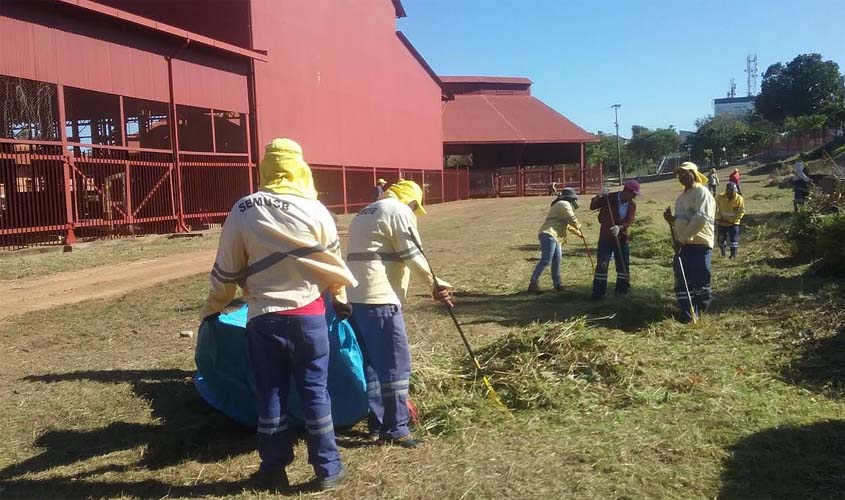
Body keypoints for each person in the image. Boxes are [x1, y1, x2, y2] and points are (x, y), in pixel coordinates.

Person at [200, 138, 356, 491]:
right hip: (311, 319)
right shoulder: (318, 211)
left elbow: (225, 272)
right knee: (316, 392)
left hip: (264, 319)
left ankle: (273, 467)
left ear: (265, 168)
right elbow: (333, 263)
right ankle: (328, 469)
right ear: (301, 167)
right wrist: (341, 297)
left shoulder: (243, 209)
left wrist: (212, 309)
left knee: (269, 393)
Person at [345, 180, 453, 448]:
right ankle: (397, 428)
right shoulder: (399, 211)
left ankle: (377, 423)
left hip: (356, 299)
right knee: (395, 364)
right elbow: (413, 254)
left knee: (371, 366)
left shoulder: (366, 211)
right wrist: (435, 284)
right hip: (380, 299)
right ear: (413, 202)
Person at [662, 162, 716, 324]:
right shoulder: (681, 197)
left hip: (698, 244)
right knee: (682, 280)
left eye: (684, 174)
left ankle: (699, 311)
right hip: (683, 245)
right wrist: (672, 220)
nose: (681, 177)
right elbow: (683, 220)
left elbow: (700, 219)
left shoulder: (702, 193)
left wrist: (681, 239)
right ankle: (687, 312)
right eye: (679, 174)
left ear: (693, 173)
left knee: (699, 280)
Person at [589, 180, 639, 299]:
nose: (635, 196)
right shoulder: (609, 198)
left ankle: (621, 291)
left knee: (623, 265)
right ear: (626, 191)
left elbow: (629, 221)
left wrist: (620, 227)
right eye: (633, 193)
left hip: (621, 238)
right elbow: (593, 206)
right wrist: (599, 196)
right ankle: (598, 293)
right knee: (603, 264)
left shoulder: (632, 205)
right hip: (606, 238)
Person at [528, 187, 583, 293]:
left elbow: (567, 225)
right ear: (570, 199)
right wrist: (578, 226)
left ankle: (557, 284)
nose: (576, 202)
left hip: (555, 236)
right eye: (574, 199)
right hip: (549, 234)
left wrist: (579, 234)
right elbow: (572, 219)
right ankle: (533, 283)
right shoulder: (564, 204)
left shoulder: (561, 205)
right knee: (546, 260)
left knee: (557, 260)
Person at [715, 182, 745, 258]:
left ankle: (733, 255)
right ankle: (723, 253)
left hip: (733, 223)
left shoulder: (739, 199)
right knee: (721, 238)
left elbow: (741, 211)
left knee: (733, 239)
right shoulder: (720, 197)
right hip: (722, 222)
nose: (730, 193)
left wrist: (734, 220)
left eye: (732, 192)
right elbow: (714, 208)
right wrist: (718, 218)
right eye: (728, 191)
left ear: (735, 191)